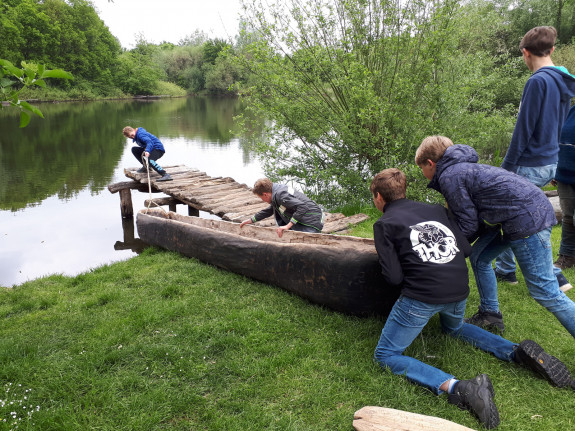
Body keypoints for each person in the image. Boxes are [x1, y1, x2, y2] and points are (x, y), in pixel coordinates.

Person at [371, 168, 573, 430]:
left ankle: (460, 387)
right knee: (453, 327)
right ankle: (516, 352)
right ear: (403, 190)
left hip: (423, 297)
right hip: (459, 291)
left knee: (386, 354)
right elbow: (465, 249)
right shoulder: (435, 210)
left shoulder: (384, 224)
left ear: (378, 197)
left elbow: (394, 278)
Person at [415, 136, 575, 337]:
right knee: (480, 258)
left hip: (526, 220)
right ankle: (490, 314)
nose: (423, 174)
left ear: (430, 163)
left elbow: (468, 224)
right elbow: (476, 216)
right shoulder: (463, 169)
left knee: (545, 291)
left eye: (421, 168)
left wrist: (449, 251)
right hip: (516, 215)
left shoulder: (450, 175)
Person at [495, 26, 575, 288]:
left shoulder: (537, 81)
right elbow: (561, 124)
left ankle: (552, 273)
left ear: (525, 53)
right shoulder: (563, 80)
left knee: (520, 221)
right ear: (552, 50)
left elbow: (524, 129)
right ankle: (506, 269)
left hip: (529, 163)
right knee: (516, 216)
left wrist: (506, 168)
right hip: (550, 161)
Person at [239, 178, 324, 238]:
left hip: (312, 220)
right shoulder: (275, 191)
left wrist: (288, 226)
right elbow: (269, 210)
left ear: (265, 194)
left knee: (303, 243)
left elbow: (302, 207)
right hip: (310, 217)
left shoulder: (280, 195)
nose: (263, 200)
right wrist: (251, 220)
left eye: (262, 198)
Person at [554, 104, 575, 274]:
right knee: (568, 217)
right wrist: (555, 168)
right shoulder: (570, 111)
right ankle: (567, 256)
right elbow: (557, 143)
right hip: (565, 174)